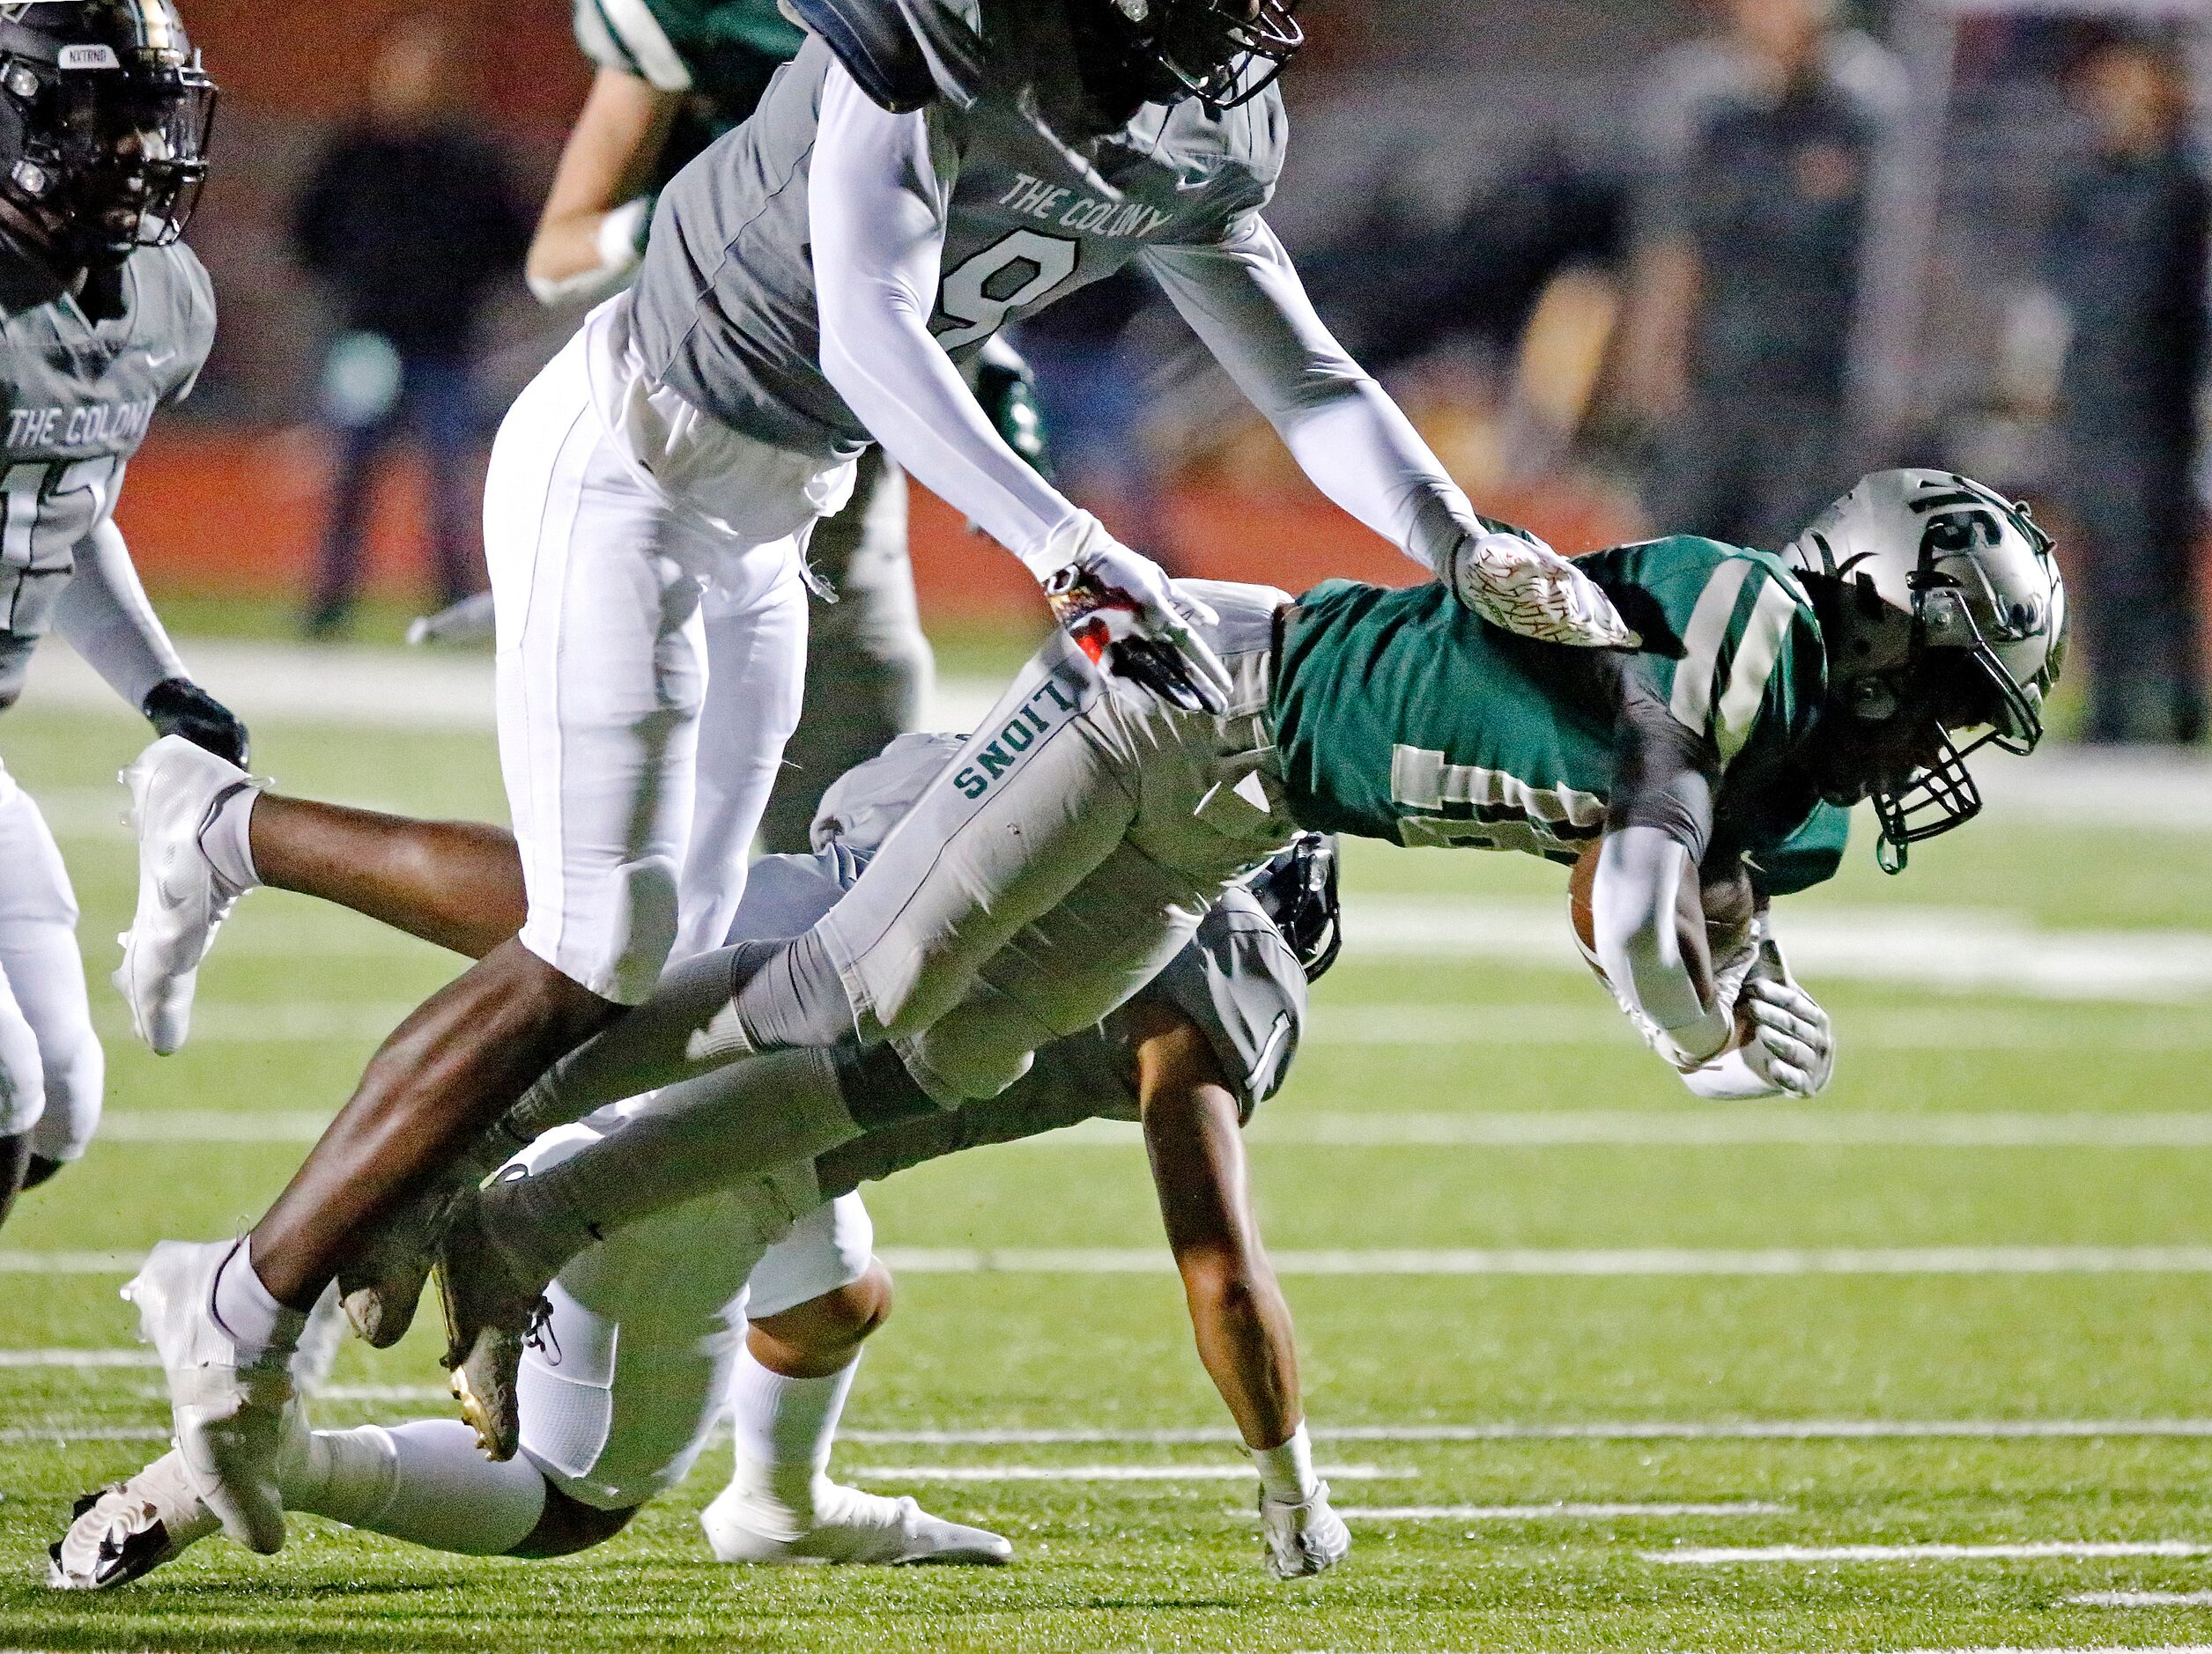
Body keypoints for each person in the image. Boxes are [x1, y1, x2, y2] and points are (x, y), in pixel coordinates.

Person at [109, 0, 1635, 1561]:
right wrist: (1064, 546)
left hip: (777, 507)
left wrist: (1466, 538)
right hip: (630, 450)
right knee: (604, 942)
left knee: (693, 949)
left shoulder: (1201, 113)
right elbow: (867, 330)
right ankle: (244, 1295)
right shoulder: (950, 33)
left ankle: (459, 1204)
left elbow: (1305, 378)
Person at [388, 467, 2062, 1456]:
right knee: (853, 985)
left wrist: (1746, 964)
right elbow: (1635, 899)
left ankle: (529, 1215)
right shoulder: (1742, 618)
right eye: (1953, 688)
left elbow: (1642, 894)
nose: (1947, 736)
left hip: (1240, 823)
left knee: (926, 1062)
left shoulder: (1805, 802)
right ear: (1868, 612)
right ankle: (444, 1141)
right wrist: (1700, 1032)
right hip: (1193, 685)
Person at [53, 743, 1350, 1584]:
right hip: (708, 1141)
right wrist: (1291, 1486)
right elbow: (1218, 1271)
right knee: (575, 1500)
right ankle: (244, 1465)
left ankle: (777, 1507)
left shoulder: (1035, 764)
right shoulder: (1213, 970)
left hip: (624, 1003)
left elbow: (848, 797)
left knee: (833, 1298)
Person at [517, 0, 1059, 853]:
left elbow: (931, 219)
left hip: (846, 450)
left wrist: (987, 358)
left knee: (865, 805)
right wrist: (673, 217)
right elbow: (557, 253)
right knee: (640, 867)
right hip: (698, 417)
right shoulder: (702, 17)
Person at [0, 0, 247, 1231]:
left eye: (153, 115)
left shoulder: (158, 300)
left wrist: (159, 682)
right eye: (103, 114)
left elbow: (69, 498)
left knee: (58, 1100)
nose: (141, 148)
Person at [1619, 0, 1905, 548]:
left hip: (1814, 388)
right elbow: (1675, 249)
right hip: (1715, 382)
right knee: (1680, 557)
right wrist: (1651, 358)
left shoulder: (1861, 118)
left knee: (1791, 562)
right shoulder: (1712, 119)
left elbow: (1894, 261)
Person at [290, 12, 529, 639]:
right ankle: (326, 610)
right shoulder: (352, 156)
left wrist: (458, 288)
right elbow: (308, 233)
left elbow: (513, 242)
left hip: (444, 349)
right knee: (347, 482)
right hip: (365, 344)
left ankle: (452, 608)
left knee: (448, 490)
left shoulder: (472, 161)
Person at [2043, 28, 2208, 745]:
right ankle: (2108, 703)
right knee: (2100, 548)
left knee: (2156, 550)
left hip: (2162, 392)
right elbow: (2061, 292)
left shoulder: (2189, 181)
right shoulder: (2084, 183)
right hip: (2093, 390)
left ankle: (2173, 705)